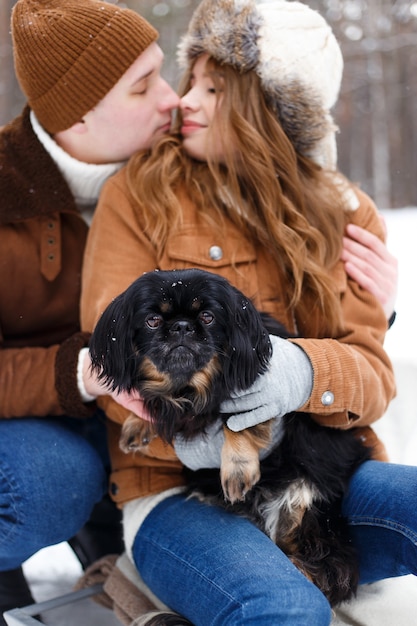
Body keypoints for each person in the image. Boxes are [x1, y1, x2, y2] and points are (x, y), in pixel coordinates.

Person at [80, 1, 415, 624]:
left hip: (320, 479)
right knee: (282, 607)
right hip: (178, 491)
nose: (187, 101)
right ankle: (174, 579)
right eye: (191, 82)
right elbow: (110, 359)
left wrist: (303, 372)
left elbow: (372, 377)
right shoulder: (142, 192)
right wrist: (200, 430)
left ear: (271, 111)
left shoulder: (345, 213)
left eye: (215, 89)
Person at [0, 0, 179, 620]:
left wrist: (360, 293)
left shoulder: (186, 166)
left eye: (162, 72)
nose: (173, 98)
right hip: (30, 426)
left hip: (144, 418)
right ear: (78, 114)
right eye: (143, 86)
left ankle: (117, 542)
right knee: (43, 481)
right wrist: (81, 372)